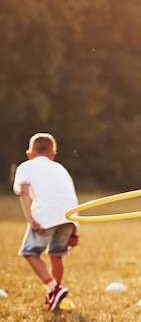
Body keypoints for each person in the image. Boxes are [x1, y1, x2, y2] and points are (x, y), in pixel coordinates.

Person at [12, 133, 79, 311]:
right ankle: (54, 296)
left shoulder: (25, 167)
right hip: (68, 215)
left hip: (45, 214)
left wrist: (30, 219)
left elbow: (24, 192)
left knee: (29, 252)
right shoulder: (60, 168)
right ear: (52, 155)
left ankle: (53, 289)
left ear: (29, 154)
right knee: (56, 254)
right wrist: (74, 229)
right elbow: (70, 196)